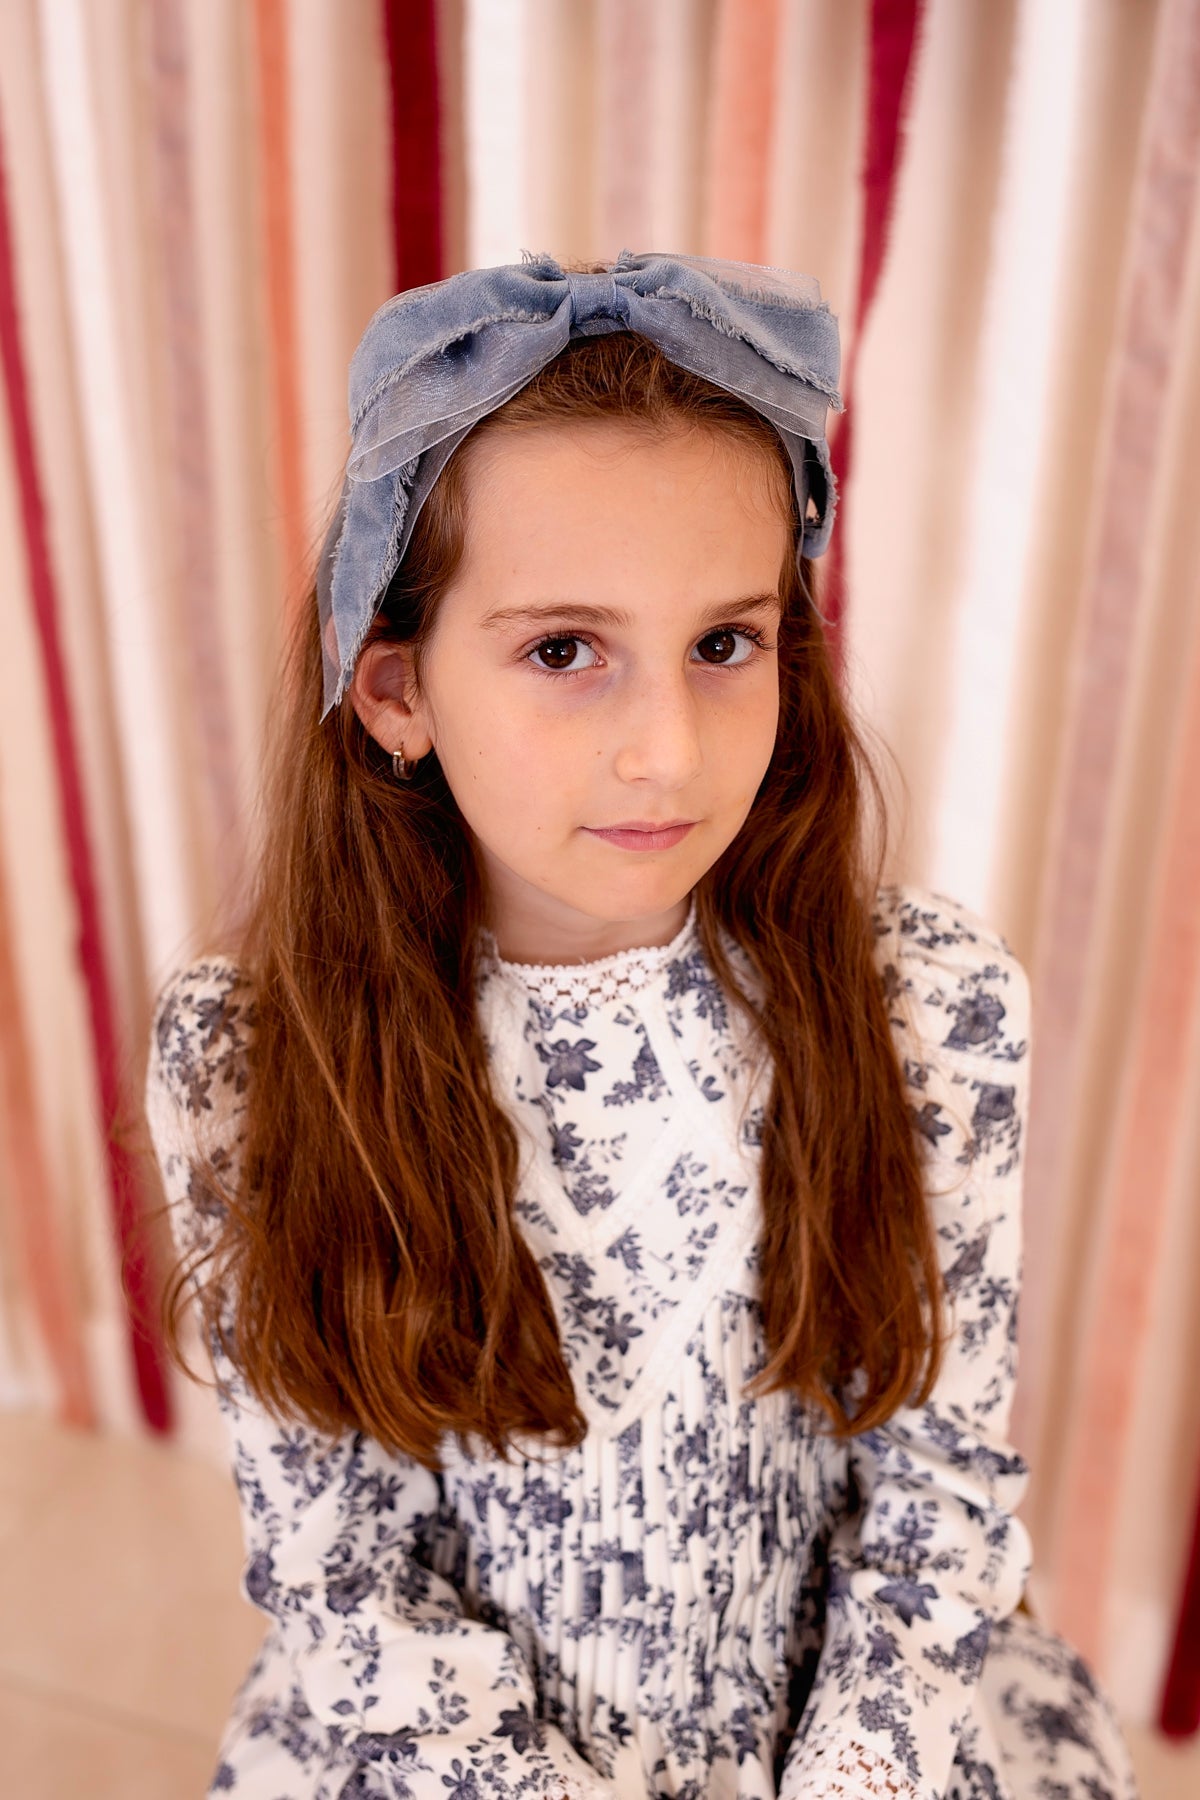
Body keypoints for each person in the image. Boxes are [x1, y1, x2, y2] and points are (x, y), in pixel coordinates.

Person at [145, 253, 1137, 1800]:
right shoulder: (257, 1063)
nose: (666, 750)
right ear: (396, 689)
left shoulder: (926, 1005)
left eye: (724, 644)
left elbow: (937, 1494)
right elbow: (350, 1583)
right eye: (564, 652)